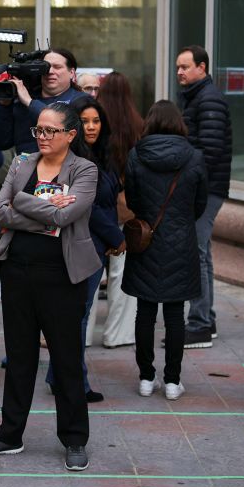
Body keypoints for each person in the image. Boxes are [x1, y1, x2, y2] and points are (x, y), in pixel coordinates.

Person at [0, 102, 102, 472]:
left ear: (70, 135)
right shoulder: (22, 163)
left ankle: (74, 438)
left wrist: (22, 206)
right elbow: (0, 210)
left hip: (62, 276)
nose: (42, 137)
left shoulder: (85, 169)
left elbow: (65, 216)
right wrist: (39, 208)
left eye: (50, 131)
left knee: (66, 360)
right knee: (20, 357)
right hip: (17, 272)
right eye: (38, 130)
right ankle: (10, 434)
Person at [122, 100, 209, 402]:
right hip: (181, 242)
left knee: (144, 312)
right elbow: (200, 203)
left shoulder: (136, 154)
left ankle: (147, 377)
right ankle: (173, 381)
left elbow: (132, 200)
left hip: (145, 240)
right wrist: (181, 220)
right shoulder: (195, 157)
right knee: (175, 315)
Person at [44, 95, 124, 404]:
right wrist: (116, 236)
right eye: (85, 121)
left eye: (96, 120)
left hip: (96, 246)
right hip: (78, 244)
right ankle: (75, 381)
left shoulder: (102, 155)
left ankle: (58, 375)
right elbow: (84, 205)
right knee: (77, 315)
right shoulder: (72, 160)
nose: (91, 126)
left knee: (78, 313)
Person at [174, 45, 231, 349]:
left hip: (206, 189)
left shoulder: (208, 100)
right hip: (206, 187)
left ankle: (198, 325)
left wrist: (189, 185)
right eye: (178, 67)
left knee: (196, 253)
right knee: (202, 253)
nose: (180, 72)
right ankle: (205, 319)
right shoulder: (198, 97)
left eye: (185, 67)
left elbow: (209, 152)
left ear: (202, 67)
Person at [95, 72, 141, 348]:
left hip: (97, 205)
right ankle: (118, 334)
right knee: (122, 272)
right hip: (127, 206)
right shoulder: (138, 125)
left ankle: (83, 334)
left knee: (88, 272)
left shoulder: (94, 121)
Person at [0, 48, 85, 154]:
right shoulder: (22, 100)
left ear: (72, 73)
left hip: (64, 168)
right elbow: (2, 143)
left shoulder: (82, 100)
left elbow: (67, 131)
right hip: (26, 168)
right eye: (45, 67)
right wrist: (4, 106)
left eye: (57, 67)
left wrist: (30, 102)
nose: (50, 71)